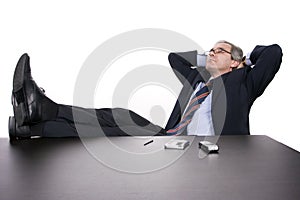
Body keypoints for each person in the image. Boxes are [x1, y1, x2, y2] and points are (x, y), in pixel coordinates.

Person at [8, 40, 283, 140]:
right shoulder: (197, 81)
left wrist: (246, 59)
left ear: (234, 62)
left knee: (113, 130)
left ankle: (37, 116)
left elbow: (273, 53)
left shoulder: (244, 82)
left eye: (219, 51)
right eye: (209, 49)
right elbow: (176, 57)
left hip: (213, 152)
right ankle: (36, 121)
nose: (211, 52)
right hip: (170, 139)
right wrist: (208, 57)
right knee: (117, 118)